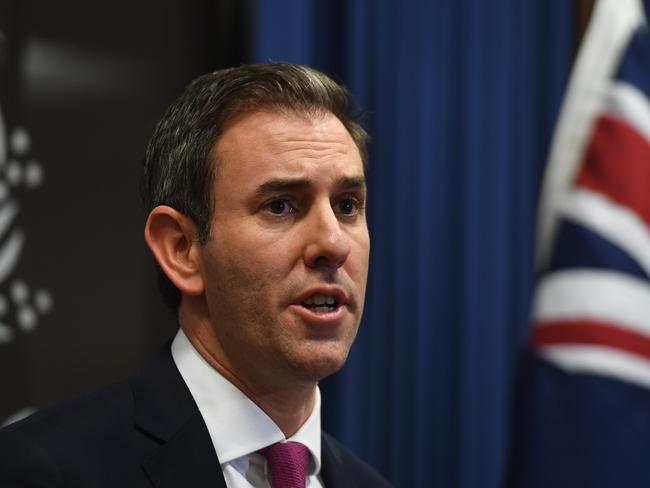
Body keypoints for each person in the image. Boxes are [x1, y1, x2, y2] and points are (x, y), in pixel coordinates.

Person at [0, 63, 392, 487]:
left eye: (348, 205)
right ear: (181, 249)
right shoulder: (41, 471)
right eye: (281, 205)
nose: (333, 244)